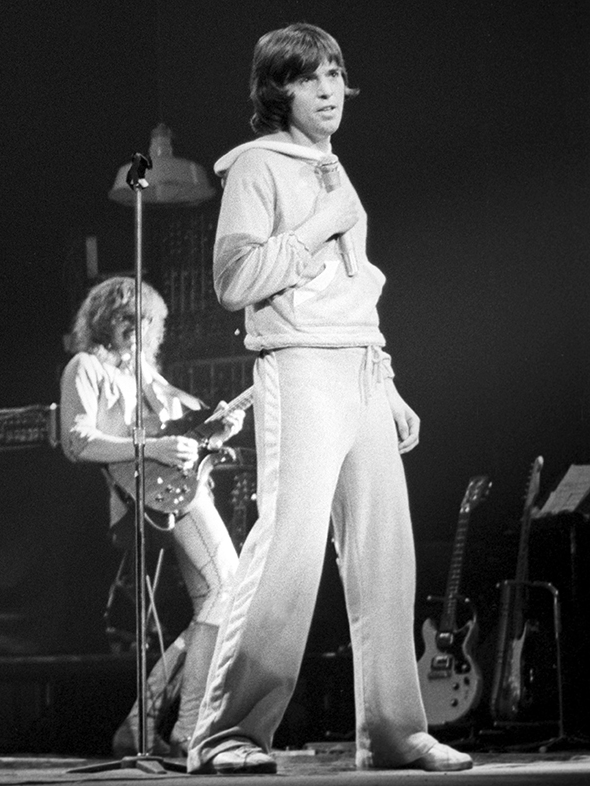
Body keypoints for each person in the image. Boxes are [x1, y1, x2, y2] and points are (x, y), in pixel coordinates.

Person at [184, 24, 472, 774]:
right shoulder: (255, 166)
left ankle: (395, 730)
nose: (329, 89)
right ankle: (227, 734)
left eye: (336, 74)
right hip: (299, 365)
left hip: (359, 370)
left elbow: (352, 286)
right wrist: (317, 224)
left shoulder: (334, 169)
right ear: (278, 90)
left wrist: (388, 378)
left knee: (386, 553)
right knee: (287, 548)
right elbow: (234, 281)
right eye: (311, 77)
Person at [60, 276, 243, 757]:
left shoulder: (149, 376)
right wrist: (154, 445)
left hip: (179, 493)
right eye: (128, 318)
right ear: (106, 320)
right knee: (228, 590)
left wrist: (218, 431)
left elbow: (185, 437)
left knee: (219, 603)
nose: (138, 329)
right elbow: (77, 441)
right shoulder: (85, 366)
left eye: (147, 321)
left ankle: (143, 723)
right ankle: (186, 730)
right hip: (143, 496)